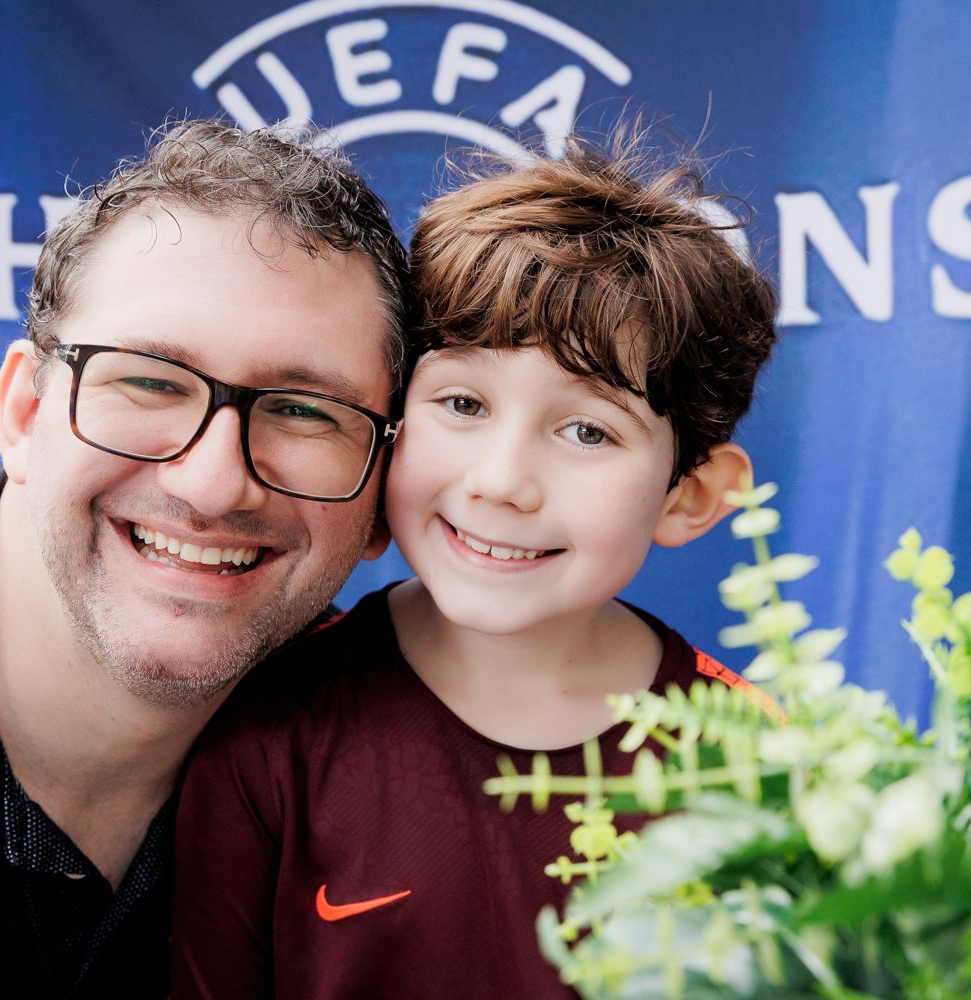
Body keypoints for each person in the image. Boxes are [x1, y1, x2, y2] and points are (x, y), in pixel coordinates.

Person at [0, 119, 411, 998]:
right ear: (22, 411)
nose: (213, 485)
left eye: (304, 411)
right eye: (151, 380)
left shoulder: (418, 766)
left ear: (385, 494)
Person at [170, 137, 783, 998]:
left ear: (691, 494)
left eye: (588, 431)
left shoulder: (760, 760)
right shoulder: (267, 737)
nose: (501, 483)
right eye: (462, 402)